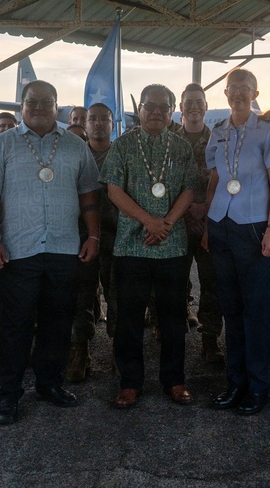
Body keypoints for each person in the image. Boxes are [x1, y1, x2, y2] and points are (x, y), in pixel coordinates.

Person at [0, 80, 101, 425]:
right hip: (19, 248)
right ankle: (9, 395)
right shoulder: (1, 146)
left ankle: (49, 385)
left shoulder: (76, 146)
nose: (40, 107)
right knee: (15, 325)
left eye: (47, 102)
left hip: (64, 248)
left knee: (57, 322)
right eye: (33, 102)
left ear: (57, 106)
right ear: (22, 105)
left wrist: (94, 235)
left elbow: (89, 196)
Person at [102, 84, 196, 409]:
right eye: (149, 106)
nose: (156, 112)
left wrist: (166, 223)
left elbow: (189, 189)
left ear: (173, 112)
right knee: (129, 318)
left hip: (172, 245)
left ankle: (175, 381)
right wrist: (149, 221)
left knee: (173, 317)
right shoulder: (122, 145)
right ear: (139, 109)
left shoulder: (183, 148)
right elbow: (114, 190)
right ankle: (130, 383)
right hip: (132, 245)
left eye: (163, 107)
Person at [203, 70, 270, 415]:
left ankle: (258, 387)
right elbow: (215, 179)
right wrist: (208, 225)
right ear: (225, 93)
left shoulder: (268, 129)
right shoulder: (218, 131)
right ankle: (235, 383)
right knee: (231, 309)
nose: (238, 94)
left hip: (254, 228)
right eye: (233, 89)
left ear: (255, 92)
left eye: (245, 89)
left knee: (256, 311)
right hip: (221, 225)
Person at [170, 83, 223, 363]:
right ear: (181, 107)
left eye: (198, 102)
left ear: (205, 106)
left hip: (208, 222)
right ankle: (171, 330)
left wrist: (205, 209)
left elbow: (226, 180)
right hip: (176, 223)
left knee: (212, 283)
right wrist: (185, 209)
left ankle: (210, 339)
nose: (193, 107)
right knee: (174, 281)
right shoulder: (168, 141)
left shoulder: (219, 140)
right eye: (188, 102)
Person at [66, 103, 119, 382]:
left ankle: (119, 352)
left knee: (117, 295)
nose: (98, 124)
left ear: (113, 124)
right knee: (80, 295)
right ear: (84, 125)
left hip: (116, 235)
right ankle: (79, 351)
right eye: (92, 120)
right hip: (81, 234)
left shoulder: (122, 153)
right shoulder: (74, 153)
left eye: (104, 119)